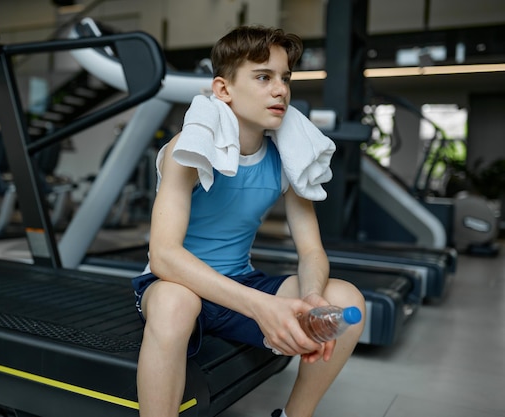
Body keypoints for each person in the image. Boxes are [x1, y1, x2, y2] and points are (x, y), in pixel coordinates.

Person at [132, 25, 365, 417]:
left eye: (285, 78)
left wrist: (310, 296)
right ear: (223, 90)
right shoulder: (186, 151)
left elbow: (311, 251)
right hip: (175, 285)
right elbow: (164, 257)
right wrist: (261, 307)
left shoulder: (286, 161)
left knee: (344, 301)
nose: (281, 90)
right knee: (175, 302)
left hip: (241, 282)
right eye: (263, 77)